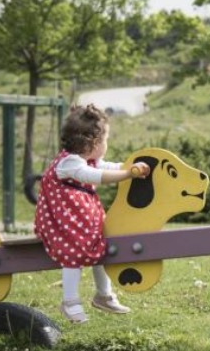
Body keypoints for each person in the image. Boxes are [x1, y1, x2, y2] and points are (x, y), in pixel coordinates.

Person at [34, 104, 151, 324]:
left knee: (101, 246)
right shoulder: (69, 163)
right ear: (94, 143)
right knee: (72, 253)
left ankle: (104, 295)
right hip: (63, 225)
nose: (107, 144)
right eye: (106, 139)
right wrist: (128, 174)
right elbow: (97, 176)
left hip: (82, 220)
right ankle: (70, 301)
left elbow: (105, 167)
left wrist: (129, 166)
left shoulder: (85, 159)